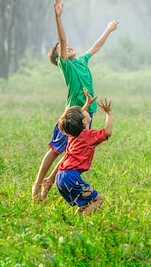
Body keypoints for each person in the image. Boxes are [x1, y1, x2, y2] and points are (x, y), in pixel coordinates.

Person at [32, 0, 118, 202]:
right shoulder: (67, 66)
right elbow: (62, 40)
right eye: (61, 48)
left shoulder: (80, 61)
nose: (67, 46)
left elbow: (95, 47)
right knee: (55, 149)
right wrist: (58, 16)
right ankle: (38, 184)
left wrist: (108, 29)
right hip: (72, 115)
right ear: (58, 57)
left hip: (88, 113)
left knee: (73, 150)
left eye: (68, 46)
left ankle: (50, 183)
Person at [55, 88, 112, 216]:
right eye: (84, 112)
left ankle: (77, 218)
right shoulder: (89, 137)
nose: (85, 111)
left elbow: (78, 117)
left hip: (60, 177)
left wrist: (87, 104)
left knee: (85, 202)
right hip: (71, 177)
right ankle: (83, 223)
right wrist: (109, 113)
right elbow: (107, 132)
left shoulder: (72, 134)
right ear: (84, 121)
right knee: (98, 199)